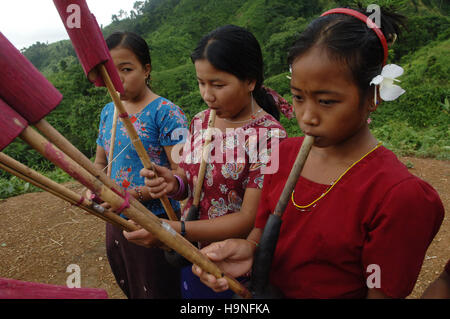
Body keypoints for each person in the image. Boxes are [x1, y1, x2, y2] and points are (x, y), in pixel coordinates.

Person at [192, 7, 445, 299]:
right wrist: (248, 251)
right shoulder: (281, 155)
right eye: (298, 97)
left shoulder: (398, 196)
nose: (307, 117)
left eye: (326, 101)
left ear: (373, 97)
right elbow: (261, 235)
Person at [123, 25, 290, 298]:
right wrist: (173, 182)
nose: (207, 95)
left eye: (218, 85)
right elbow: (190, 182)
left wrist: (172, 230)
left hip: (234, 267)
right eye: (201, 83)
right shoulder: (201, 121)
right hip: (195, 256)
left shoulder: (269, 137)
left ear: (250, 81)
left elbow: (248, 219)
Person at [94, 31, 188, 298]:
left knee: (158, 289)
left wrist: (133, 196)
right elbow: (101, 162)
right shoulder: (109, 111)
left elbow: (182, 174)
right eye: (111, 72)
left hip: (155, 221)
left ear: (146, 69)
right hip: (115, 218)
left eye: (126, 69)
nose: (119, 79)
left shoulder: (167, 112)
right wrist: (94, 187)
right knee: (132, 285)